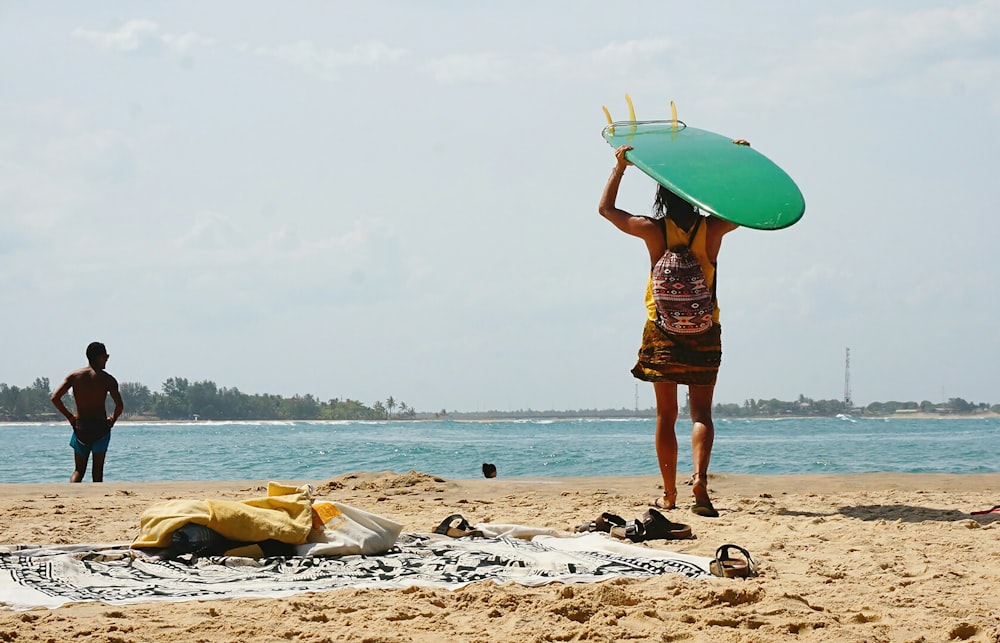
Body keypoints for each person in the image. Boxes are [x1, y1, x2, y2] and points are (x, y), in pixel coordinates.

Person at [598, 144, 741, 517]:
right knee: (701, 415)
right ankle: (699, 480)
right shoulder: (713, 228)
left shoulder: (652, 230)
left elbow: (606, 210)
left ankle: (669, 493)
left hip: (661, 332)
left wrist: (620, 167)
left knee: (666, 415)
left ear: (661, 195)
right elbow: (743, 209)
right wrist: (736, 162)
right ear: (696, 199)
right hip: (706, 329)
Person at [50, 341, 124, 483]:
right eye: (106, 356)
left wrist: (71, 418)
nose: (107, 359)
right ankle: (96, 500)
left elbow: (55, 398)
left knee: (78, 470)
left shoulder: (75, 376)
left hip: (81, 428)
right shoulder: (108, 379)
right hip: (101, 428)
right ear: (99, 357)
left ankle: (72, 495)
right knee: (97, 471)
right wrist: (113, 420)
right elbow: (119, 405)